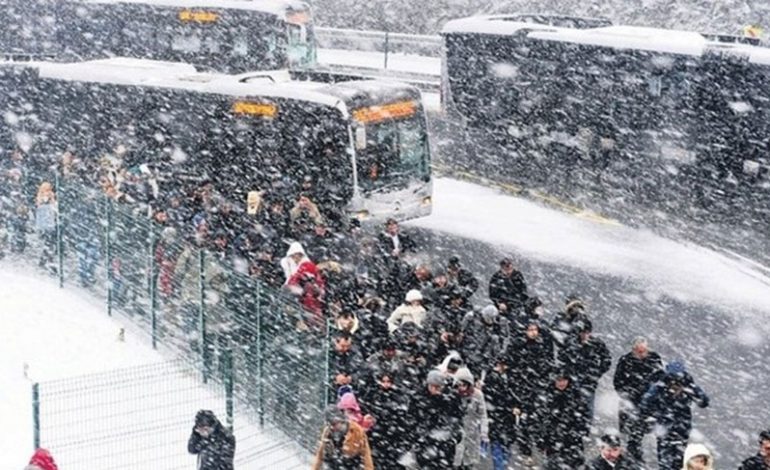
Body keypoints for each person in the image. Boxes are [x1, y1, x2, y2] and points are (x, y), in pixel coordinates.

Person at [639, 361, 710, 470]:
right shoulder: (661, 386)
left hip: (678, 430)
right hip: (667, 429)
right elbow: (645, 403)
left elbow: (704, 401)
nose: (675, 382)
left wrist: (689, 389)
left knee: (676, 463)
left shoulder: (687, 386)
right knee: (667, 463)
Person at [613, 337, 665, 464]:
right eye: (638, 351)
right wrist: (628, 394)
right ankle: (632, 458)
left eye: (643, 350)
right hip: (631, 401)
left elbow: (661, 380)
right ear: (633, 350)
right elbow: (618, 382)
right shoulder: (625, 360)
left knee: (646, 430)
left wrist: (652, 395)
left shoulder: (654, 359)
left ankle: (642, 457)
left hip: (649, 403)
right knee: (630, 433)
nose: (641, 353)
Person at [557, 317, 611, 424]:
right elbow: (562, 358)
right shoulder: (571, 343)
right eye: (582, 332)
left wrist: (596, 373)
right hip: (573, 381)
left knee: (586, 410)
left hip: (587, 382)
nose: (584, 335)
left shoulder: (597, 344)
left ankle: (582, 428)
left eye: (587, 332)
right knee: (571, 408)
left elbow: (607, 360)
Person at [408, 369, 465, 470]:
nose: (435, 389)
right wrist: (416, 436)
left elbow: (457, 419)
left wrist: (454, 438)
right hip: (424, 441)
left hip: (445, 442)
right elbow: (412, 418)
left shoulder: (451, 399)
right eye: (432, 386)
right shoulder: (418, 397)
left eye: (438, 387)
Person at [533, 369, 589, 470]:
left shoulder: (576, 396)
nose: (561, 383)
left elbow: (583, 418)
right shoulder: (546, 396)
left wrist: (579, 432)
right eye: (558, 380)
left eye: (564, 380)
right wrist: (541, 440)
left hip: (572, 441)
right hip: (552, 442)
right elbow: (540, 420)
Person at [312, 405, 374, 470]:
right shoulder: (327, 432)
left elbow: (366, 457)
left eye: (334, 424)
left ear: (341, 420)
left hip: (352, 464)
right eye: (329, 424)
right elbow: (320, 455)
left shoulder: (357, 431)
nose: (332, 427)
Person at [453, 366, 489, 470]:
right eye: (459, 385)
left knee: (468, 464)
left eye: (464, 385)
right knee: (455, 462)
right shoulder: (452, 395)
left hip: (472, 433)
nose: (461, 388)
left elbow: (483, 415)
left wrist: (484, 432)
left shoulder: (478, 395)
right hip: (456, 433)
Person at [35, 181, 57, 273]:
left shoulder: (49, 197)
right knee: (49, 244)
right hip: (46, 224)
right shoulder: (42, 197)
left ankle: (44, 261)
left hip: (49, 223)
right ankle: (49, 262)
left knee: (49, 244)